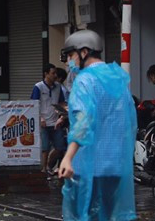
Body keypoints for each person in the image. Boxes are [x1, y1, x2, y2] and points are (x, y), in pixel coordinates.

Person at [57, 30, 136, 221]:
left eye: (70, 55)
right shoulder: (117, 80)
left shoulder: (84, 81)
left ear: (84, 52)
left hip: (89, 167)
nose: (68, 62)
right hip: (115, 165)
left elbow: (84, 121)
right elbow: (130, 123)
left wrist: (68, 157)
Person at [31, 64, 66, 175]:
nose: (55, 75)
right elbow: (33, 104)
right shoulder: (38, 87)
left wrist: (62, 114)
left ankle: (49, 167)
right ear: (46, 74)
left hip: (55, 121)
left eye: (56, 73)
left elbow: (61, 102)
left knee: (60, 147)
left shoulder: (58, 87)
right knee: (44, 148)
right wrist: (40, 118)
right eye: (53, 73)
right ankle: (44, 170)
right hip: (43, 122)